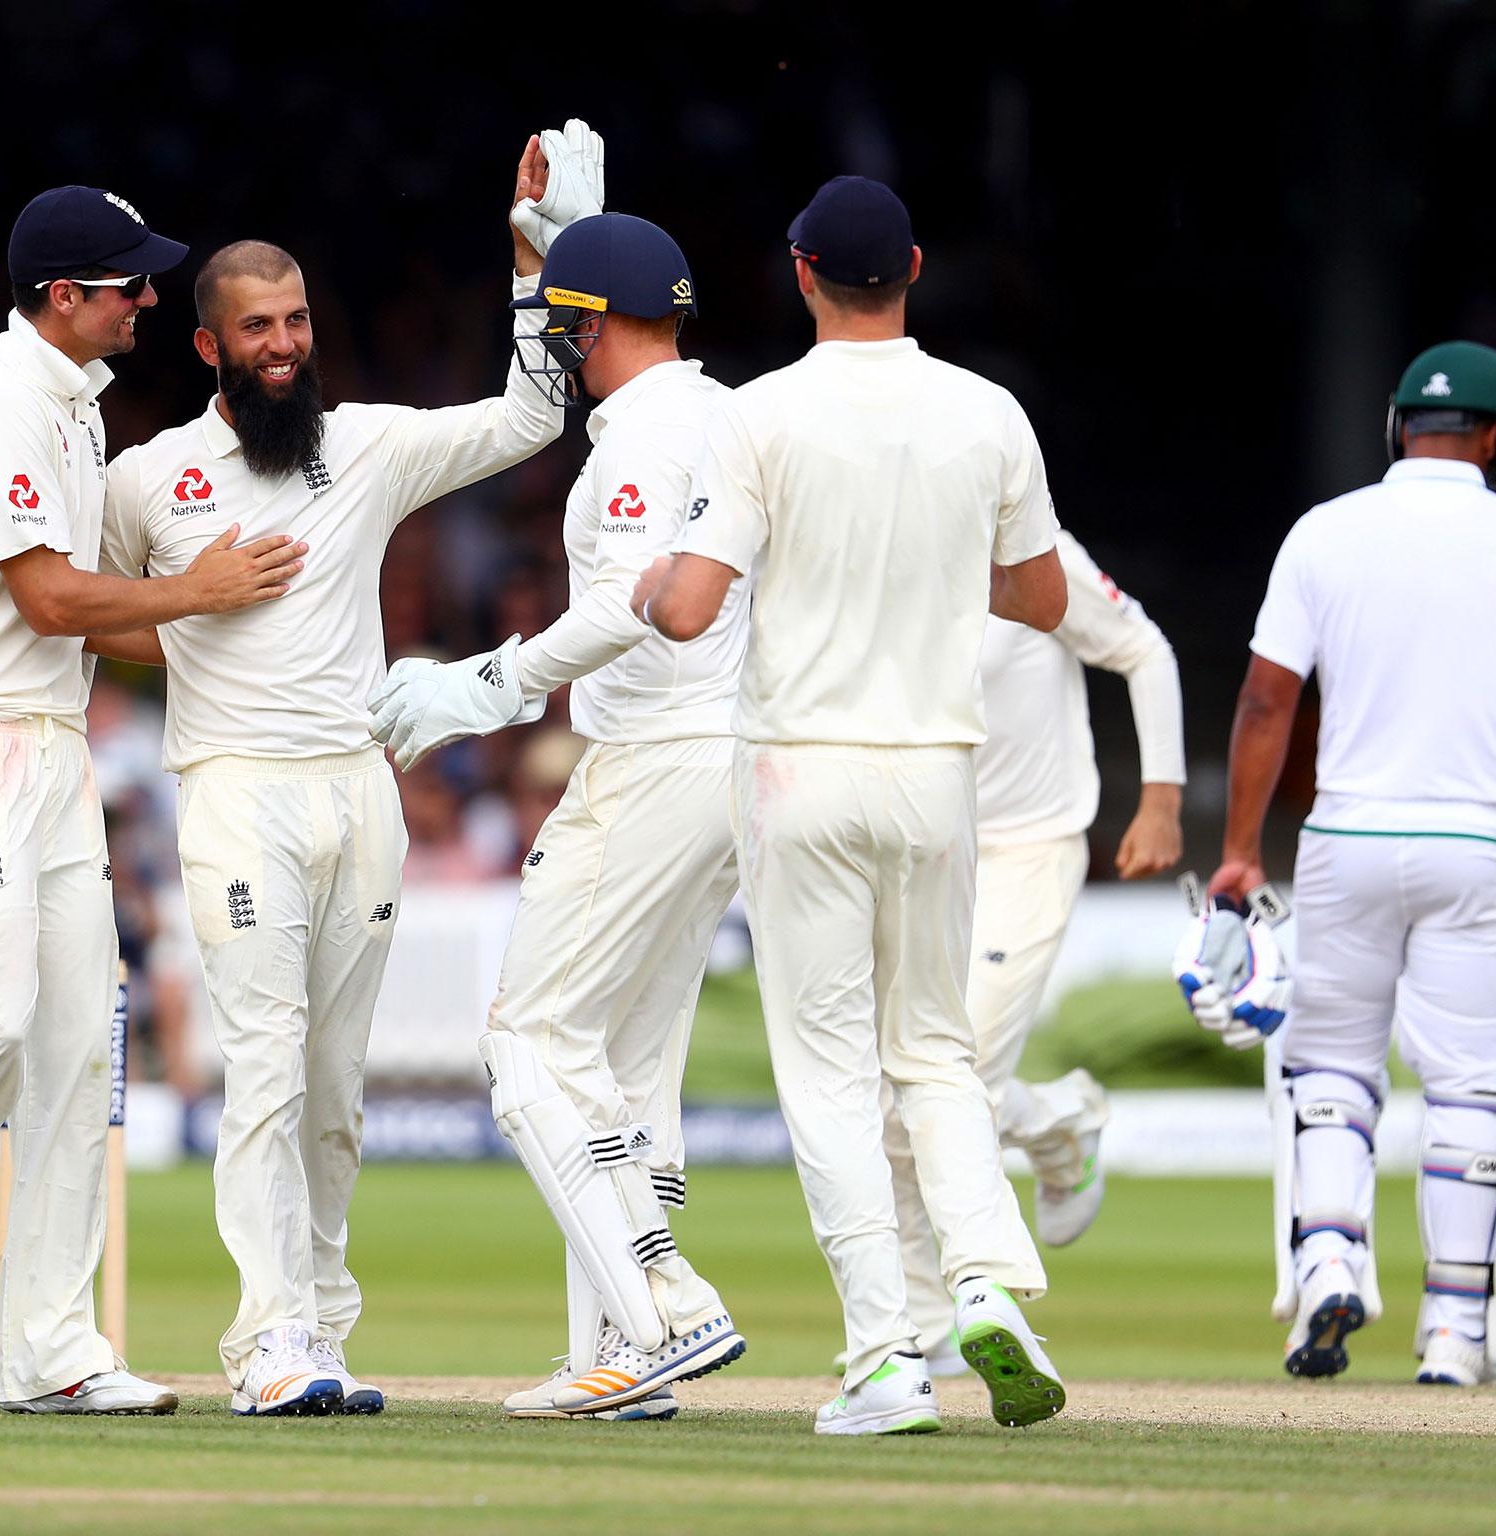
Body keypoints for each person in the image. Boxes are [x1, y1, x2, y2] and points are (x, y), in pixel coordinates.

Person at [0, 186, 305, 1414]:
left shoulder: (77, 411)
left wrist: (246, 646)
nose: (148, 299)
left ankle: (49, 1348)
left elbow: (90, 624)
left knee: (81, 1040)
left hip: (49, 742)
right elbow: (50, 602)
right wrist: (202, 593)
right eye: (128, 284)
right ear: (62, 297)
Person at [97, 132, 574, 1419]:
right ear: (207, 345)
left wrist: (530, 258)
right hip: (235, 788)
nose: (282, 346)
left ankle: (321, 1328)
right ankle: (267, 1343)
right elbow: (74, 604)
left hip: (354, 787)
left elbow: (535, 415)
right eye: (255, 328)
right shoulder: (150, 476)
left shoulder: (363, 444)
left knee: (331, 1086)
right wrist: (187, 613)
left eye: (296, 320)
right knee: (261, 1060)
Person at [631, 174, 1069, 1436]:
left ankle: (885, 1356)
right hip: (936, 769)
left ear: (800, 270)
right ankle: (985, 1285)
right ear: (915, 267)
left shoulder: (757, 415)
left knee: (828, 1074)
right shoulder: (988, 412)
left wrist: (661, 565)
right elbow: (1041, 600)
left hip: (796, 766)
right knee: (932, 1054)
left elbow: (685, 609)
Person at [367, 211, 749, 1420]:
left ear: (594, 326)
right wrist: (562, 244)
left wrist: (485, 682)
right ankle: (621, 1362)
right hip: (726, 761)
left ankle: (664, 1310)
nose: (557, 349)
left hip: (651, 756)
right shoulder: (721, 411)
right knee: (626, 1072)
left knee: (528, 1045)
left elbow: (632, 608)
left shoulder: (643, 436)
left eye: (564, 325)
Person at [1206, 340, 1496, 1385]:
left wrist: (1240, 851)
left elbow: (1263, 700)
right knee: (1470, 1081)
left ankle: (1330, 1258)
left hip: (1348, 836)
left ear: (1398, 426)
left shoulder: (1322, 532)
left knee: (1329, 1068)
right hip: (1479, 841)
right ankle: (1453, 1331)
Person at [874, 529, 1184, 1378]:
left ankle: (1035, 1177)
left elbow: (1144, 652)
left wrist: (1161, 799)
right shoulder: (866, 541)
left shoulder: (1027, 550)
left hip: (1028, 849)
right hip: (919, 854)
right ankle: (932, 1319)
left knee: (945, 1080)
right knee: (887, 1096)